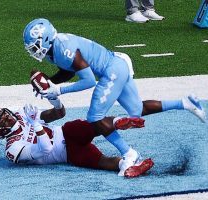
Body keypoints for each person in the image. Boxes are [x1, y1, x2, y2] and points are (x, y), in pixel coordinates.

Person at [22, 18, 206, 176]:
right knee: (137, 110)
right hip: (117, 65)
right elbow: (69, 70)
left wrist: (59, 91)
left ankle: (129, 153)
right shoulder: (56, 48)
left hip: (112, 71)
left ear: (45, 38)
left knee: (94, 118)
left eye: (35, 45)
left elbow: (88, 81)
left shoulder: (63, 48)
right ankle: (186, 103)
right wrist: (52, 82)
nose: (33, 50)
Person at [0, 98, 154, 178]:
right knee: (103, 162)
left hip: (67, 132)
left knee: (95, 124)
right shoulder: (12, 150)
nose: (8, 118)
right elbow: (46, 149)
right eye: (2, 121)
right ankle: (127, 164)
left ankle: (118, 121)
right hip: (69, 155)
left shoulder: (21, 114)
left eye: (5, 114)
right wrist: (35, 124)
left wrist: (54, 99)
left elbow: (59, 113)